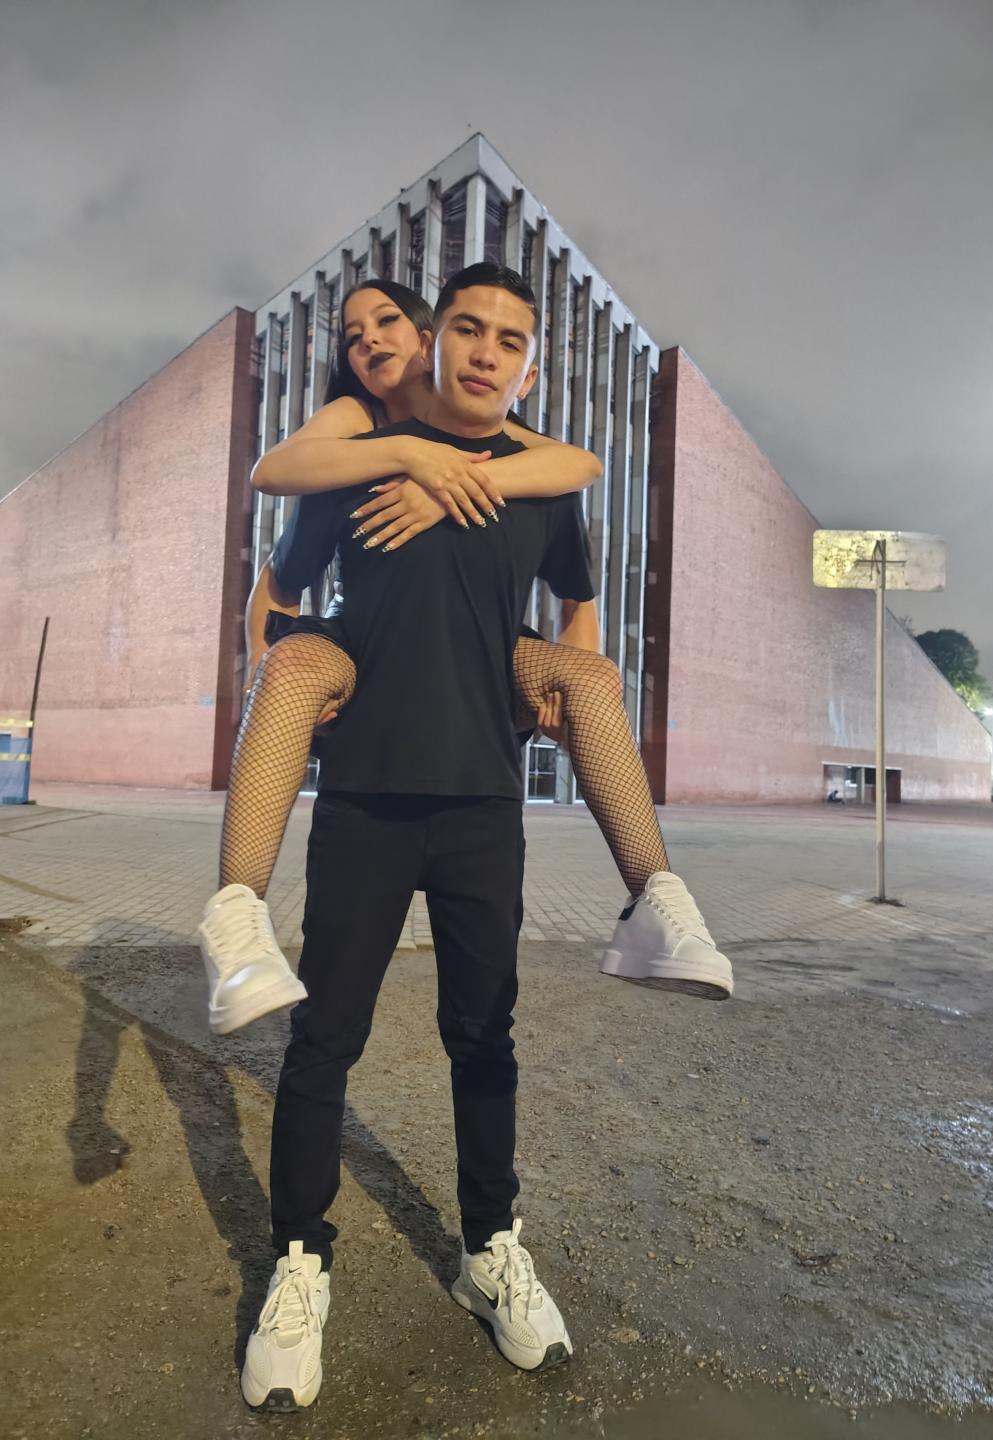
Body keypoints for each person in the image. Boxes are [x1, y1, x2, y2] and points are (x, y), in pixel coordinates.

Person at [240, 265, 597, 1409]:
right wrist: (299, 676)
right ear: (433, 341)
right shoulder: (354, 465)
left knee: (484, 1039)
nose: (487, 351)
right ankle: (300, 1263)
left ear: (530, 363)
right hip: (365, 802)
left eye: (511, 339)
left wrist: (560, 681)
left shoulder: (540, 483)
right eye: (468, 330)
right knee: (323, 1041)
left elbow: (579, 594)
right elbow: (280, 591)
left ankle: (489, 1251)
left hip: (486, 803)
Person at [200, 278, 733, 1037]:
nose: (370, 342)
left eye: (387, 322)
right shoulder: (353, 432)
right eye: (353, 335)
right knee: (288, 671)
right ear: (440, 342)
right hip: (363, 656)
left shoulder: (515, 453)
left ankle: (656, 900)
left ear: (426, 340)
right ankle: (236, 925)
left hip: (483, 678)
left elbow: (580, 472)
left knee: (591, 677)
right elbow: (271, 487)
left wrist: (457, 482)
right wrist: (412, 457)